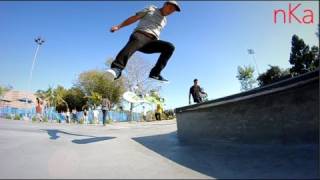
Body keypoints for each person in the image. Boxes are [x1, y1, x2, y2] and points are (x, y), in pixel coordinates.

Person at [107, 1, 181, 82]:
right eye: (170, 8)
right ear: (165, 4)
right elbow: (134, 18)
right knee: (137, 40)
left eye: (172, 11)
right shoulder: (151, 9)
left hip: (152, 42)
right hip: (141, 35)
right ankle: (116, 69)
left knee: (170, 47)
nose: (170, 12)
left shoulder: (165, 20)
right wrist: (119, 26)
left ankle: (155, 74)